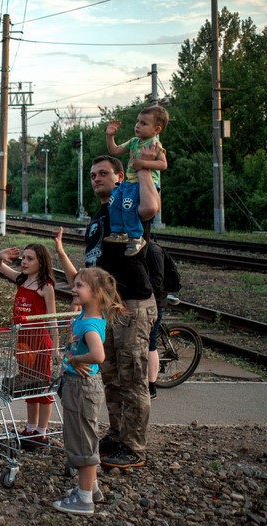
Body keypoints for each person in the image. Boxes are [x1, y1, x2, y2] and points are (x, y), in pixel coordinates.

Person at [54, 154, 159, 470]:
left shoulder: (127, 202)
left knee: (132, 379)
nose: (96, 178)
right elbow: (95, 265)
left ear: (119, 176)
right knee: (111, 378)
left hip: (132, 305)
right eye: (92, 174)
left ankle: (134, 447)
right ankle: (116, 437)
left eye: (103, 173)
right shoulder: (99, 215)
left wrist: (144, 169)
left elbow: (151, 207)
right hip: (109, 308)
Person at [53, 267, 126, 515]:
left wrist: (76, 360)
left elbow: (99, 355)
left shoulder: (90, 325)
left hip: (81, 388)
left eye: (79, 286)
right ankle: (92, 489)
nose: (73, 289)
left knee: (83, 442)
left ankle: (84, 500)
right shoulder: (85, 315)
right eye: (74, 285)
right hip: (79, 386)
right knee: (85, 437)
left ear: (95, 293)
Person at [0, 243, 57, 449]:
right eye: (24, 258)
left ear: (41, 262)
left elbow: (53, 319)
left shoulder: (45, 287)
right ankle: (30, 427)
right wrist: (1, 255)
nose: (24, 262)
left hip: (39, 343)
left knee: (42, 387)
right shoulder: (21, 280)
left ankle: (41, 432)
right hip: (23, 343)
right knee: (28, 385)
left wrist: (55, 347)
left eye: (30, 259)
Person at [105, 106, 169, 256]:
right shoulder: (134, 142)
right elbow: (114, 151)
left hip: (145, 185)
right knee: (113, 201)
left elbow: (163, 164)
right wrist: (109, 136)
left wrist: (144, 164)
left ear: (156, 130)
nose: (138, 125)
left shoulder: (154, 145)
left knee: (128, 206)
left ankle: (136, 237)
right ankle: (118, 232)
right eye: (138, 122)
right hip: (130, 183)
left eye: (144, 123)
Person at [145, 238, 167, 400]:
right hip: (143, 301)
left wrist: (139, 288)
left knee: (151, 343)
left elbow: (158, 279)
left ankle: (151, 386)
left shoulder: (153, 251)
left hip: (155, 303)